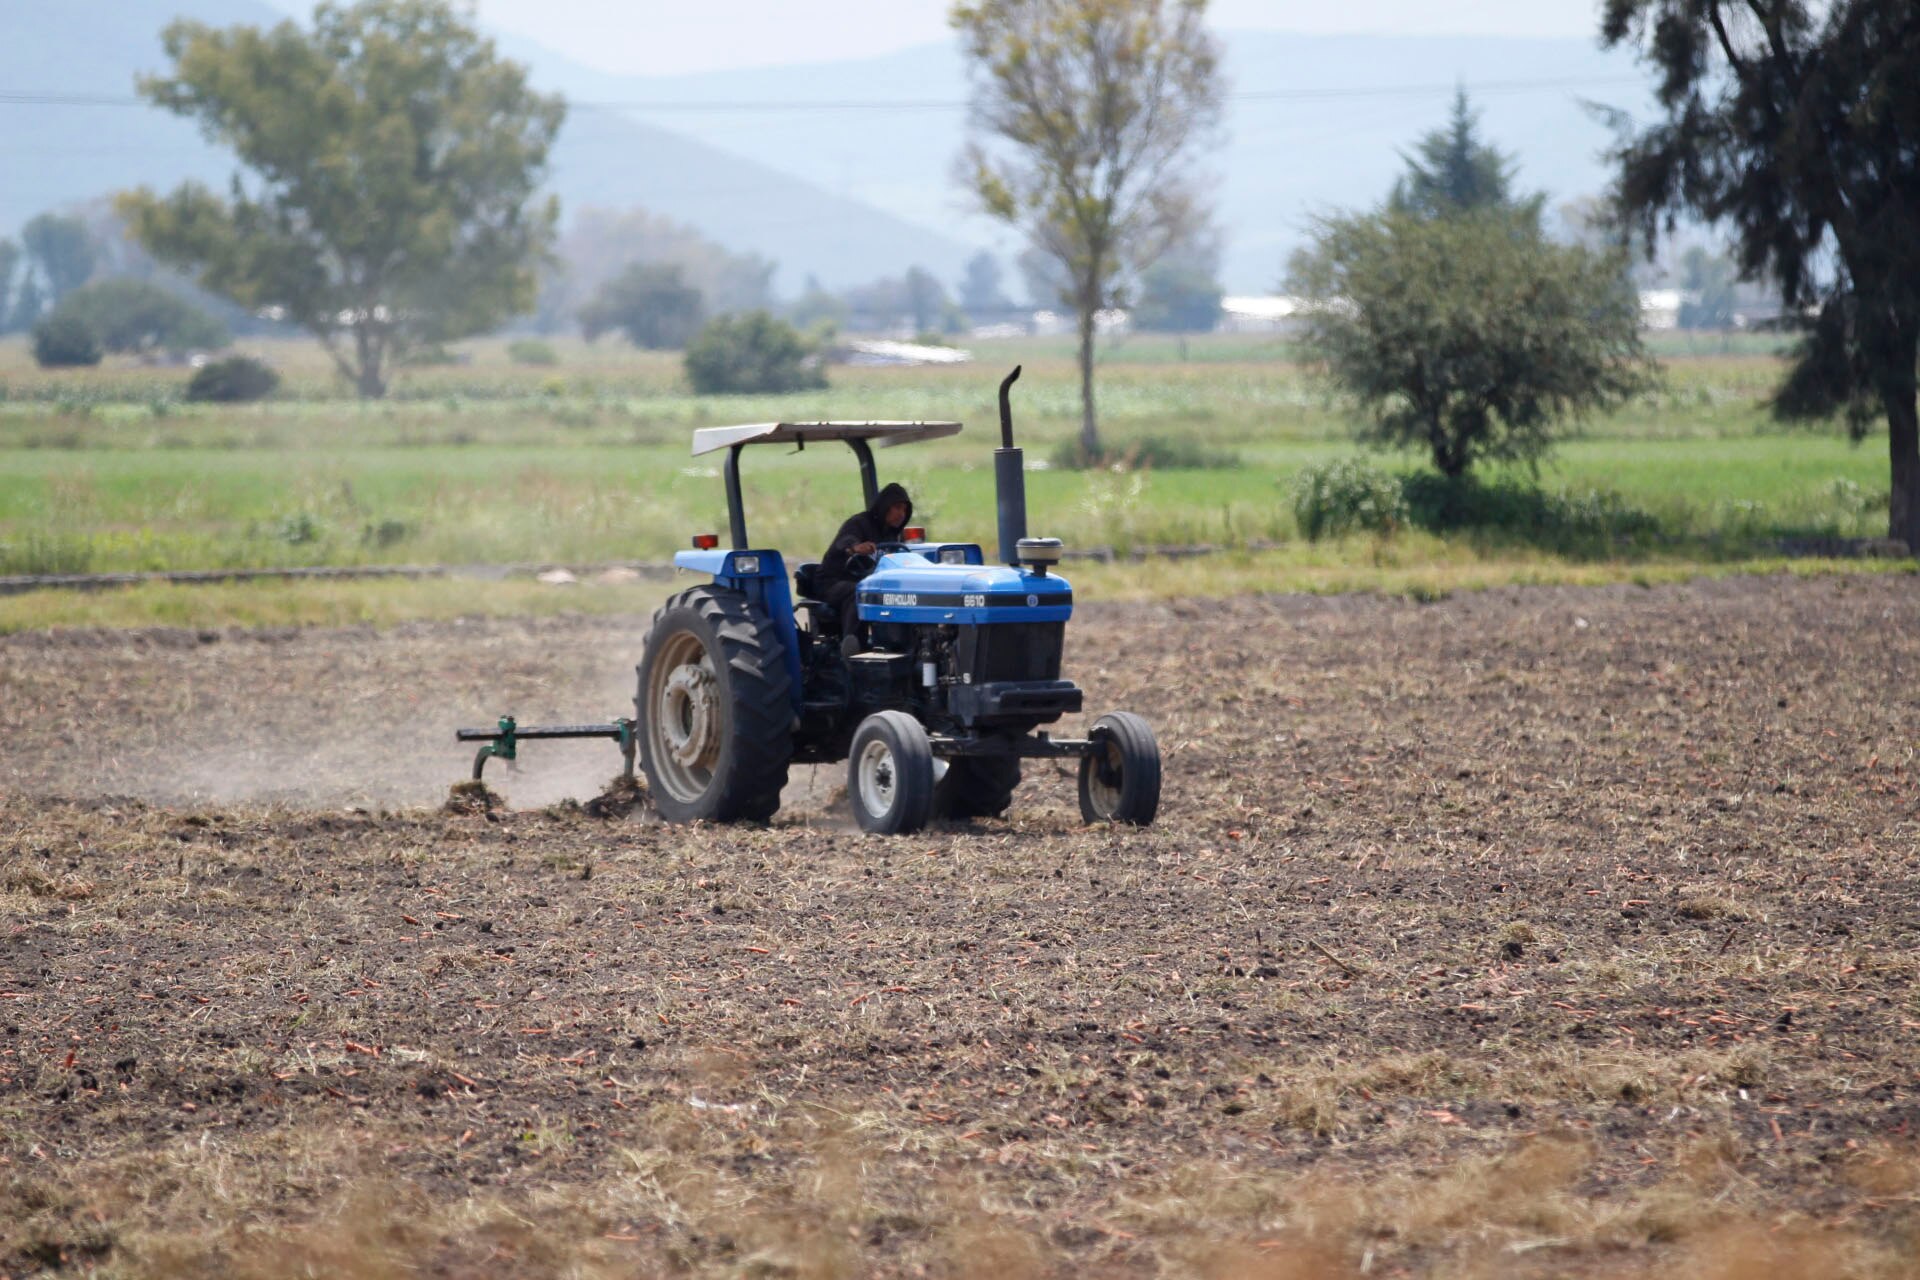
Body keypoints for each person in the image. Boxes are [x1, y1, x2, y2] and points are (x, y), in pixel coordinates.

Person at [816, 482, 912, 648]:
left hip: (868, 582)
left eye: (904, 509)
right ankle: (853, 647)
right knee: (860, 592)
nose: (901, 514)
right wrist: (855, 547)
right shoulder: (859, 523)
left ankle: (900, 646)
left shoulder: (893, 535)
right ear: (885, 506)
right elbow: (844, 541)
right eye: (897, 507)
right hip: (832, 582)